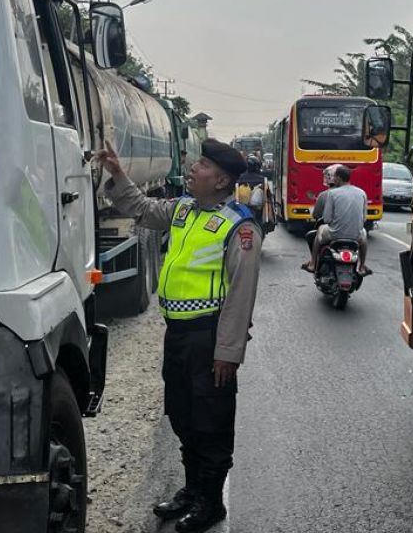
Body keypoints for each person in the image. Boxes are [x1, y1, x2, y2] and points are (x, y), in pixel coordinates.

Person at [94, 138, 262, 533]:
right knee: (184, 415)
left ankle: (210, 502)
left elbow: (241, 295)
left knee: (212, 422)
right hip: (179, 335)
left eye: (201, 165)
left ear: (221, 181)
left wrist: (228, 352)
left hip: (210, 338)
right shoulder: (182, 210)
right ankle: (191, 490)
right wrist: (117, 172)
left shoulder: (239, 226)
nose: (191, 169)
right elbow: (138, 207)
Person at [301, 163, 371, 276]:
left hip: (335, 234)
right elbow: (364, 218)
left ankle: (313, 263)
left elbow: (327, 219)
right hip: (356, 235)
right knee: (364, 234)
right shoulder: (362, 193)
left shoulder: (332, 194)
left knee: (320, 230)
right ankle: (362, 266)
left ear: (338, 178)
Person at [234, 156, 268, 231]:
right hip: (257, 210)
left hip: (242, 209)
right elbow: (267, 197)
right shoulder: (262, 179)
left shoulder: (240, 178)